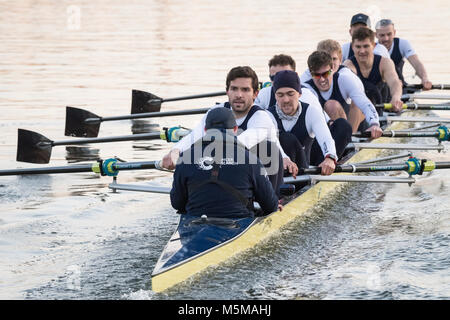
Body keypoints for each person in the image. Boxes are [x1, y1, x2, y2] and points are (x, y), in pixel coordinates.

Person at [161, 66, 298, 197]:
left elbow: (240, 144)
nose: (239, 95)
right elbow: (195, 136)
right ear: (227, 91)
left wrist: (193, 159)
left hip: (265, 177)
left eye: (245, 90)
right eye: (234, 89)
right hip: (233, 173)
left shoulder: (261, 117)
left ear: (255, 94)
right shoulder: (215, 112)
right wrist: (176, 151)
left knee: (266, 149)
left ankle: (270, 203)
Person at [170, 107, 279, 218]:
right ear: (235, 129)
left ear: (205, 130)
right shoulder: (250, 159)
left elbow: (177, 203)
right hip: (238, 223)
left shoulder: (185, 156)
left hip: (196, 222)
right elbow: (270, 206)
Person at [266, 70, 338, 174]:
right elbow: (272, 142)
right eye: (280, 95)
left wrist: (330, 157)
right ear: (275, 95)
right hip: (278, 173)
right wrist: (284, 158)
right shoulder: (267, 115)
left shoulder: (311, 112)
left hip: (303, 172)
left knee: (289, 139)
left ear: (299, 94)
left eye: (290, 94)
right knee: (286, 139)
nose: (286, 100)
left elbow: (326, 138)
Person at [304, 50, 382, 138]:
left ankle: (348, 140)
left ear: (332, 69)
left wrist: (374, 123)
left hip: (349, 121)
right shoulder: (306, 88)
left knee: (333, 105)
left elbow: (364, 103)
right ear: (311, 73)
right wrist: (329, 121)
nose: (322, 79)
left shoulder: (344, 79)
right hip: (324, 129)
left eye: (325, 74)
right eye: (317, 75)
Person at [343, 27, 404, 112]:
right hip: (358, 110)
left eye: (366, 46)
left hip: (381, 107)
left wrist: (396, 98)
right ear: (352, 47)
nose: (362, 51)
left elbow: (394, 82)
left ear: (373, 46)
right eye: (358, 47)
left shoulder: (385, 63)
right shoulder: (348, 65)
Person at [375, 18, 432, 90]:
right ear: (376, 35)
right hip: (380, 88)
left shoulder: (402, 44)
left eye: (389, 34)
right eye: (382, 35)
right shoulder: (371, 48)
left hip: (400, 86)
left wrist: (425, 78)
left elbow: (416, 63)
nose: (386, 38)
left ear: (394, 33)